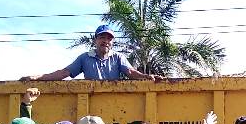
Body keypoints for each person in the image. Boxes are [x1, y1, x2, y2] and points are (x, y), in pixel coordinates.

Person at [21, 25, 161, 82]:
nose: (105, 41)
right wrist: (37, 77)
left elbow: (131, 72)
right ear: (95, 40)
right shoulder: (85, 58)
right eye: (102, 37)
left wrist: (147, 77)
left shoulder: (118, 57)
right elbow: (64, 73)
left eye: (109, 38)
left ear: (112, 42)